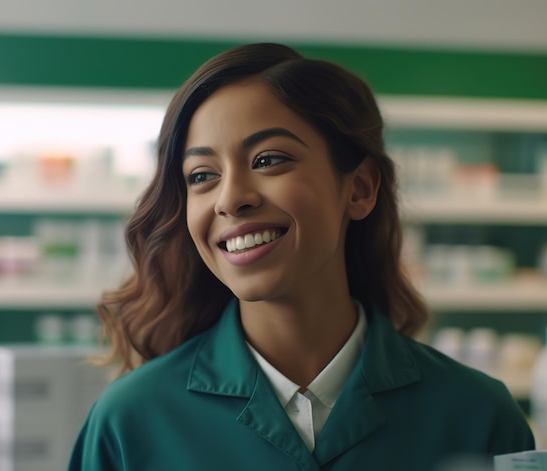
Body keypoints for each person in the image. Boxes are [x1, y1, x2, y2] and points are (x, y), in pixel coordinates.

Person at [68, 43, 534, 470]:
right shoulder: (130, 421)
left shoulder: (477, 416)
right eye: (202, 175)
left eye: (269, 160)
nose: (231, 199)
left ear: (360, 188)